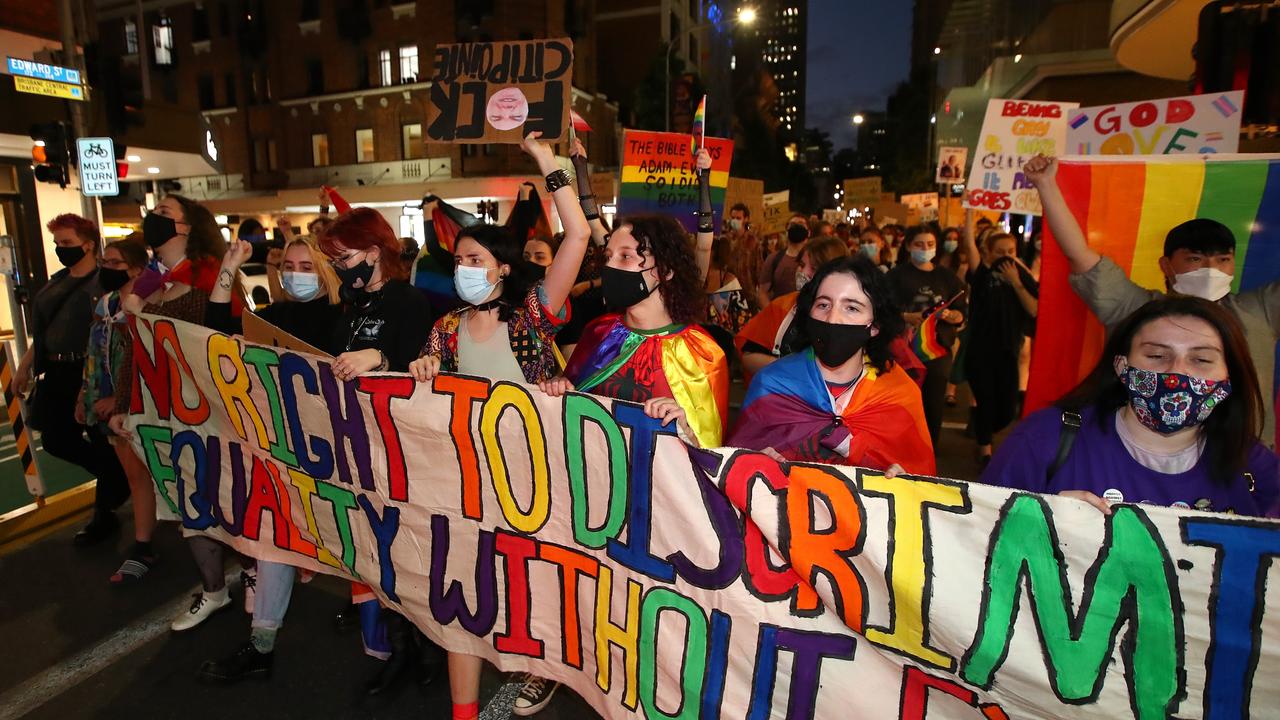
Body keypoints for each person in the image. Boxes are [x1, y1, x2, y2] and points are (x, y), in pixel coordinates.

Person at [408, 132, 590, 720]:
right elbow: (425, 399)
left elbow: (580, 235)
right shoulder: (442, 330)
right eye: (458, 260)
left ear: (503, 269)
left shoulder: (531, 316)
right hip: (466, 479)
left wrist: (548, 165)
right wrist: (422, 372)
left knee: (525, 587)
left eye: (475, 260)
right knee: (461, 595)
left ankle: (534, 672)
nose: (463, 268)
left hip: (534, 482)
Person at [1025, 154, 1280, 445]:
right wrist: (1046, 185)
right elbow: (1079, 255)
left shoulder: (1260, 310)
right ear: (1166, 265)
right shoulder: (1136, 309)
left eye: (1223, 260)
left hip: (1242, 458)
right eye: (1195, 259)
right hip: (1143, 455)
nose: (1211, 270)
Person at [196, 237, 345, 683]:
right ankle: (261, 645)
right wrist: (229, 265)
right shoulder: (276, 316)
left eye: (307, 265)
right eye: (290, 265)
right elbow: (217, 327)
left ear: (325, 271)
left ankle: (395, 637)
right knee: (272, 540)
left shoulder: (345, 318)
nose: (296, 273)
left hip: (337, 454)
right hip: (283, 447)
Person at [983, 296, 1279, 517]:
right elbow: (979, 533)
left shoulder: (1255, 466)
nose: (1177, 373)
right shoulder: (1044, 439)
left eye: (1201, 360)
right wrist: (1037, 520)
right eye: (1156, 356)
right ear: (1122, 366)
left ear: (1229, 377)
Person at [316, 206, 440, 696]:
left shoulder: (410, 301)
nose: (340, 267)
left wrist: (383, 358)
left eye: (344, 257)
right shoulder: (350, 307)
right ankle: (402, 646)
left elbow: (426, 369)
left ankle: (425, 645)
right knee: (376, 549)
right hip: (357, 443)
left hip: (400, 447)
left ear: (373, 252)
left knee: (407, 550)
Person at [108, 196, 245, 610]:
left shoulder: (210, 275)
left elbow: (230, 340)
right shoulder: (151, 281)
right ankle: (214, 589)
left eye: (166, 213)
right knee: (190, 501)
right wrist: (125, 403)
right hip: (165, 411)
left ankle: (256, 579)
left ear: (188, 227)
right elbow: (138, 348)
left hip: (209, 411)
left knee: (226, 496)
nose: (155, 218)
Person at [728, 255, 935, 474]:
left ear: (875, 325)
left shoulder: (899, 393)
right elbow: (733, 468)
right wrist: (751, 462)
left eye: (852, 308)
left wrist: (907, 482)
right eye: (823, 304)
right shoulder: (772, 383)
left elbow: (921, 479)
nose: (832, 318)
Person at [12, 214, 129, 546]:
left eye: (66, 242)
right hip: (58, 371)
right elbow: (46, 331)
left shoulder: (100, 284)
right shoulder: (58, 281)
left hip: (89, 370)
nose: (60, 249)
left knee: (99, 437)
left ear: (88, 244)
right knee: (56, 438)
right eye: (58, 243)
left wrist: (90, 382)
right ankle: (115, 480)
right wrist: (25, 365)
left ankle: (103, 513)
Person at [69, 234, 145, 547]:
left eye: (116, 263)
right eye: (105, 262)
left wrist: (121, 398)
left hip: (134, 400)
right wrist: (85, 392)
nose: (108, 268)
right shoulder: (107, 302)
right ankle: (143, 538)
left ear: (137, 269)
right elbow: (96, 350)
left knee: (143, 475)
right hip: (107, 395)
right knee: (133, 475)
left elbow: (145, 356)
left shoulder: (147, 301)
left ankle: (146, 542)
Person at [960, 218, 1039, 466]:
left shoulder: (1021, 277)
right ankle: (984, 449)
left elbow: (1035, 310)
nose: (1006, 257)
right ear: (989, 253)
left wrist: (1016, 282)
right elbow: (970, 246)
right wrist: (970, 211)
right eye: (1000, 252)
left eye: (1011, 252)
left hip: (1008, 352)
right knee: (986, 401)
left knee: (1007, 410)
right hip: (980, 352)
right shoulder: (982, 275)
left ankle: (983, 428)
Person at [887, 227, 966, 445]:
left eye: (930, 244)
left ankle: (929, 448)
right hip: (903, 351)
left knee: (932, 403)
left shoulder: (947, 277)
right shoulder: (895, 276)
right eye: (919, 244)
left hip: (937, 350)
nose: (925, 249)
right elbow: (881, 310)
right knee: (902, 402)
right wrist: (905, 316)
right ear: (908, 246)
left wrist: (951, 315)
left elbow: (961, 314)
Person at [736, 237, 851, 382]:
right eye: (802, 265)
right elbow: (748, 357)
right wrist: (791, 369)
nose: (803, 272)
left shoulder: (853, 318)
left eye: (814, 268)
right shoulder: (783, 306)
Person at [759, 214, 809, 306]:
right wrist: (771, 315)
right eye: (793, 224)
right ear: (786, 230)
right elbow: (763, 292)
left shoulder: (815, 259)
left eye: (801, 224)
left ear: (809, 232)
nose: (797, 227)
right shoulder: (773, 259)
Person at [725, 202, 762, 313]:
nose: (735, 221)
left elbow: (759, 267)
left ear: (746, 219)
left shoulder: (753, 241)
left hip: (748, 292)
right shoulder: (726, 240)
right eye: (733, 218)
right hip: (728, 292)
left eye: (738, 218)